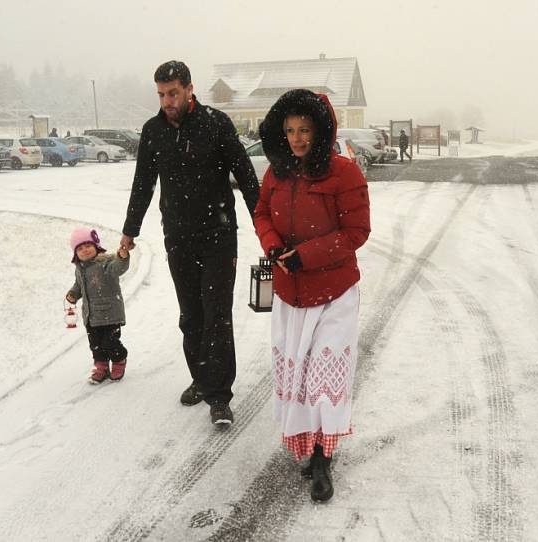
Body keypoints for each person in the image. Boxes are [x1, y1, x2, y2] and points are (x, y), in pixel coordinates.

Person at [119, 60, 259, 426]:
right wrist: (129, 230)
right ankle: (200, 377)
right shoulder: (153, 131)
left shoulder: (216, 124)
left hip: (218, 235)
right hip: (178, 238)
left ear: (189, 88)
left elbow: (244, 173)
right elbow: (143, 182)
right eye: (162, 95)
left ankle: (219, 396)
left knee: (217, 315)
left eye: (173, 93)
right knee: (191, 316)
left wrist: (264, 221)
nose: (167, 101)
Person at [254, 89, 371, 502]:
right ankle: (305, 446)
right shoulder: (276, 173)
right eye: (290, 130)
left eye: (305, 129)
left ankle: (323, 457)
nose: (297, 138)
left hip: (334, 293)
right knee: (299, 376)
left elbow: (356, 232)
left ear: (320, 130)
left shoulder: (344, 172)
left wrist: (306, 256)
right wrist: (273, 247)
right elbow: (261, 213)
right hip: (290, 294)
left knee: (323, 380)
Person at [66, 227, 130, 384]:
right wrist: (74, 293)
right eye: (80, 248)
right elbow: (79, 285)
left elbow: (118, 268)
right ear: (76, 253)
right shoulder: (79, 269)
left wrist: (122, 257)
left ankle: (119, 359)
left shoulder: (105, 263)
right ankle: (101, 366)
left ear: (96, 246)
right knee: (95, 344)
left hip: (110, 313)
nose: (85, 250)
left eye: (88, 246)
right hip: (91, 315)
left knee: (110, 341)